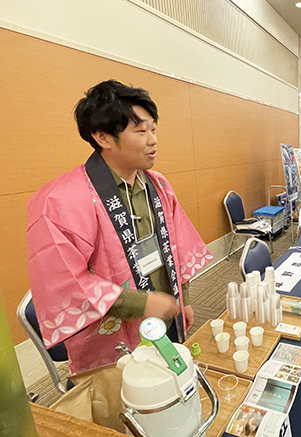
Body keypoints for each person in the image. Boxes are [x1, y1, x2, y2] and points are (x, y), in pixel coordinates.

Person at [27, 80, 212, 376]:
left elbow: (177, 246)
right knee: (123, 402)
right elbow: (66, 282)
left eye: (153, 129)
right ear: (103, 137)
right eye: (141, 131)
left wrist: (183, 299)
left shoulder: (158, 185)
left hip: (164, 313)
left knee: (168, 388)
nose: (153, 140)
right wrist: (141, 303)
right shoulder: (61, 201)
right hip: (114, 333)